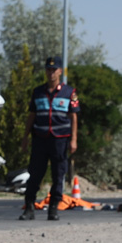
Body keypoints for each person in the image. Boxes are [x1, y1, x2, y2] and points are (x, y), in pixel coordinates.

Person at [20, 56, 79, 221]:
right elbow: (32, 116)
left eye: (54, 70)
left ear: (60, 71)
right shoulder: (38, 92)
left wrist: (74, 139)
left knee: (58, 175)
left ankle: (53, 208)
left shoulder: (69, 92)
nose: (51, 73)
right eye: (48, 69)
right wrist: (25, 137)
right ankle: (29, 207)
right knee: (35, 174)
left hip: (60, 140)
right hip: (40, 138)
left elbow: (74, 117)